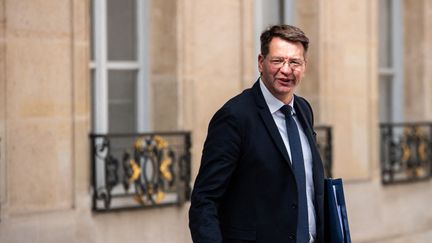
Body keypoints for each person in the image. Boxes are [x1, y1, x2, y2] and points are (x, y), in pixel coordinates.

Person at [189, 24, 325, 243]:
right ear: (261, 63)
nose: (286, 70)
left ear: (304, 66)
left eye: (294, 62)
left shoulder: (303, 109)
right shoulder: (234, 117)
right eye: (278, 60)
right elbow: (205, 201)